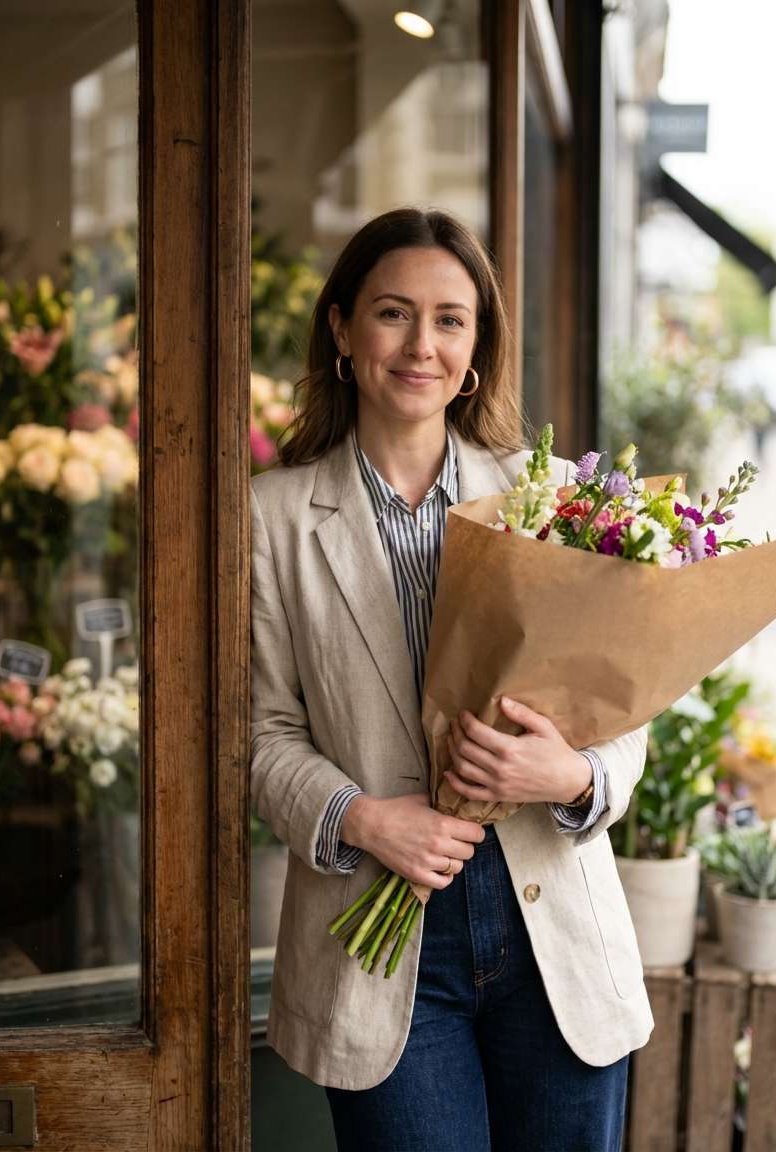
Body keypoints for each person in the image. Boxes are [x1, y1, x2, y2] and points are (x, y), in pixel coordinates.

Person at [250, 207, 653, 1152]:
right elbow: (259, 734)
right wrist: (361, 815)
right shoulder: (267, 518)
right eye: (392, 314)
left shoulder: (543, 496)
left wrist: (569, 777)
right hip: (380, 942)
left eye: (448, 319)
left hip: (553, 933)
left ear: (476, 351)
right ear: (343, 330)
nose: (418, 345)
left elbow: (626, 707)